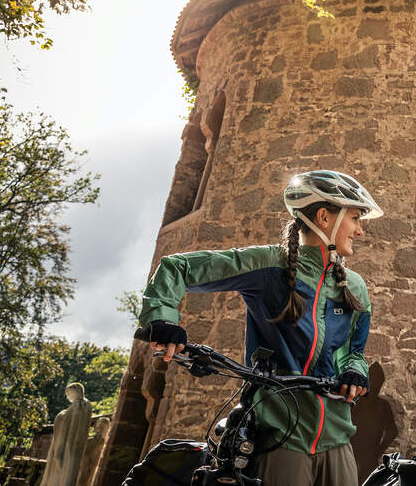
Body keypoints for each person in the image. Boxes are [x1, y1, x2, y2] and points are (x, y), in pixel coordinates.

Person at [136, 170, 380, 486]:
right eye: (356, 219)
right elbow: (177, 268)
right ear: (323, 217)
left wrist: (355, 371)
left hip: (336, 436)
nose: (360, 231)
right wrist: (163, 319)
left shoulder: (355, 288)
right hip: (280, 434)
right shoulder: (268, 265)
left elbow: (355, 353)